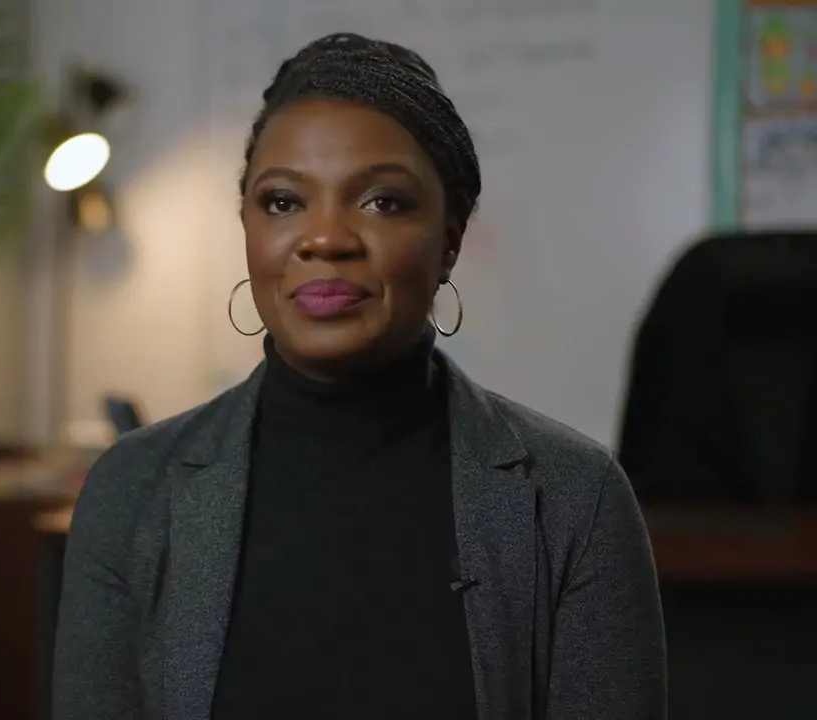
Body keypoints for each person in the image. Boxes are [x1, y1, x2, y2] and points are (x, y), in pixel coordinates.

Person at [52, 33, 666, 720]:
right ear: (248, 229)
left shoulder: (574, 501)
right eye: (284, 202)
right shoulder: (133, 492)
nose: (326, 238)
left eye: (382, 202)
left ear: (450, 239)